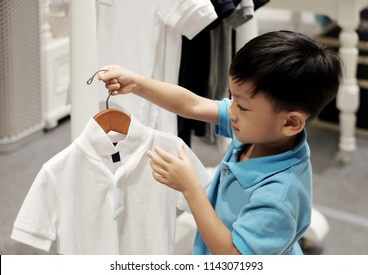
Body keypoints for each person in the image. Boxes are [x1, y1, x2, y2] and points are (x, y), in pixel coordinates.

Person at [98, 30, 342, 255]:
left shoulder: (278, 196)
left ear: (290, 123)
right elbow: (192, 104)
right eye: (231, 98)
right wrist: (138, 84)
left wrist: (190, 189)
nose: (232, 111)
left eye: (242, 106)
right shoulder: (263, 132)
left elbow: (232, 257)